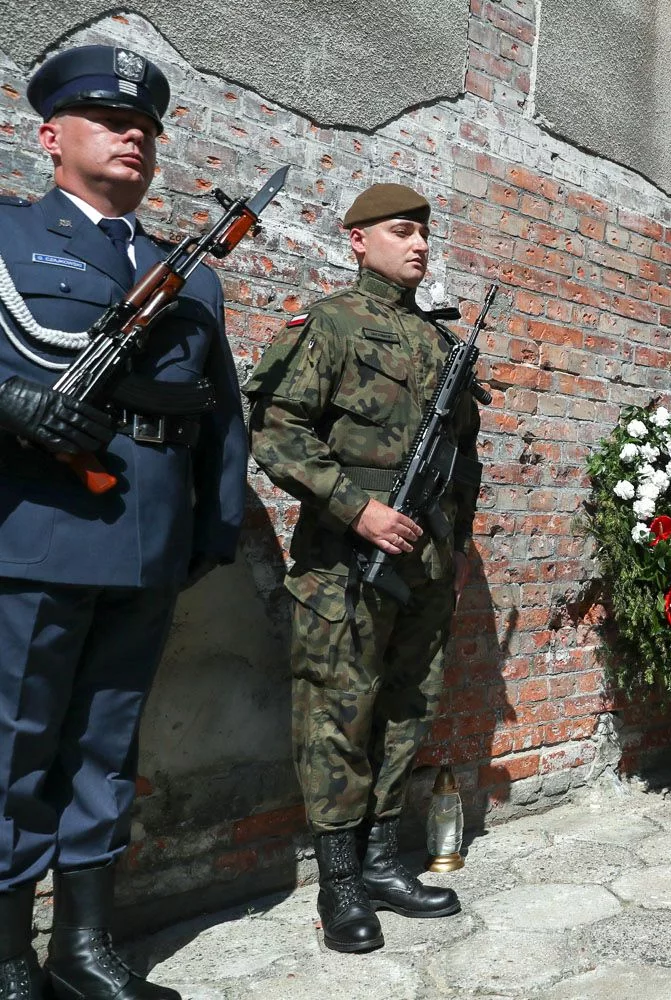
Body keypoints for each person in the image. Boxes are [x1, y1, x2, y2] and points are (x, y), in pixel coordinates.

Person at [0, 46, 248, 1000]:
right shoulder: (10, 240)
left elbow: (220, 416)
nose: (133, 134)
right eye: (108, 119)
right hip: (36, 531)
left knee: (108, 750)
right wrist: (10, 400)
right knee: (16, 743)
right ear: (51, 136)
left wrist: (212, 532)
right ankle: (8, 953)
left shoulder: (190, 279)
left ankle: (85, 949)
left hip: (146, 545)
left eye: (145, 124)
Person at [244, 184, 481, 953]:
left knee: (409, 706)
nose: (417, 246)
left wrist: (453, 547)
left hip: (427, 563)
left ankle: (383, 863)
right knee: (336, 715)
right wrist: (357, 508)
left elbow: (462, 463)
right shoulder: (333, 324)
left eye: (423, 234)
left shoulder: (441, 345)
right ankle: (340, 885)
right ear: (357, 240)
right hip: (346, 565)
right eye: (401, 232)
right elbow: (276, 430)